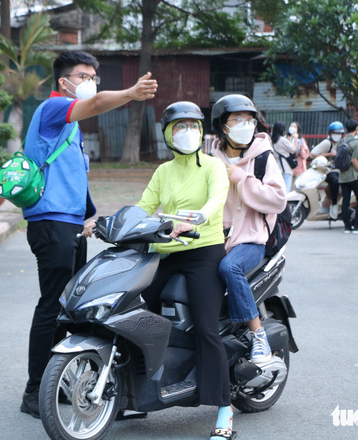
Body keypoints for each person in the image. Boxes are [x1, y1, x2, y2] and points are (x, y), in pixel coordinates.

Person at [19, 50, 158, 418]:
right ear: (64, 81)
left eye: (94, 75)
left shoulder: (70, 125)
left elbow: (70, 178)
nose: (91, 81)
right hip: (51, 224)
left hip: (69, 224)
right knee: (52, 306)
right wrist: (130, 93)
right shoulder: (52, 109)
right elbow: (96, 103)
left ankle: (58, 383)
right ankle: (35, 392)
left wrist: (88, 217)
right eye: (83, 75)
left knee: (69, 309)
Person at [137, 102, 234, 439]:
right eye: (180, 127)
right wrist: (115, 224)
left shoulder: (213, 166)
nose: (188, 132)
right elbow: (143, 207)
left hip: (202, 251)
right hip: (166, 251)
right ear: (168, 134)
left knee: (207, 328)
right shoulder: (163, 172)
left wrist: (197, 217)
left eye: (193, 125)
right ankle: (133, 390)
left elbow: (216, 199)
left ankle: (224, 407)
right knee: (133, 311)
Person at [210, 95, 287, 366]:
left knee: (230, 268)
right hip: (217, 239)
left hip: (251, 242)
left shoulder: (263, 157)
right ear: (222, 126)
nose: (245, 125)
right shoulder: (211, 158)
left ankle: (258, 335)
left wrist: (241, 178)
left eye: (249, 120)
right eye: (238, 120)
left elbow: (278, 199)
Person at [310, 121, 346, 219]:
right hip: (328, 170)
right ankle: (334, 204)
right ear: (330, 133)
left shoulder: (342, 142)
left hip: (341, 169)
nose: (337, 135)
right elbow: (312, 154)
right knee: (334, 181)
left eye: (339, 133)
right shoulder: (327, 143)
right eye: (335, 133)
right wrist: (329, 154)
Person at [270, 121, 297, 191]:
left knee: (279, 189)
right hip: (285, 167)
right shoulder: (282, 140)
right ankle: (285, 202)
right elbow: (294, 149)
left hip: (276, 167)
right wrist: (296, 138)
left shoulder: (272, 140)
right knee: (286, 188)